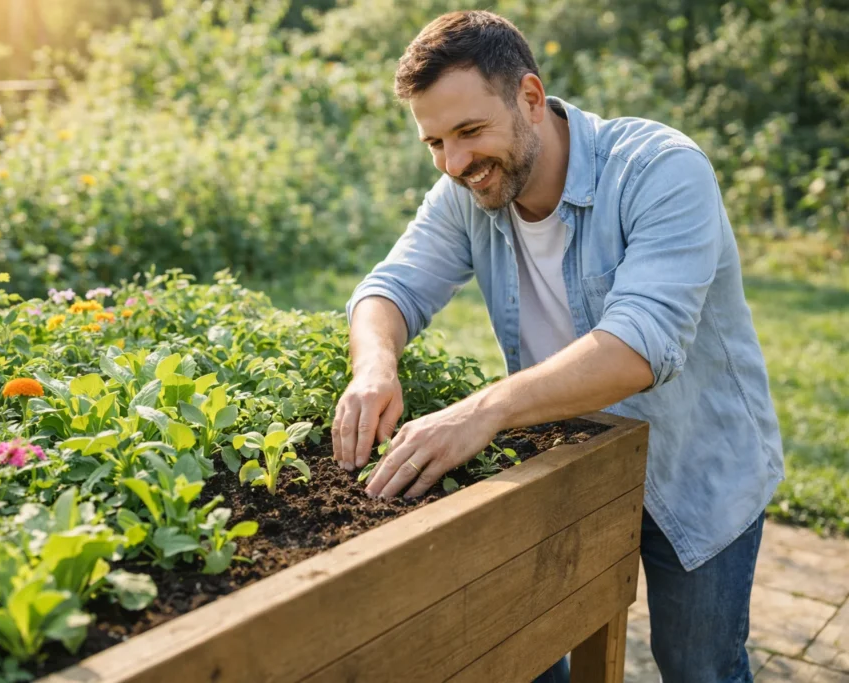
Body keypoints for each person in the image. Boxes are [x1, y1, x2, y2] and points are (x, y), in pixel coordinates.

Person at [331, 10, 784, 683]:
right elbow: (389, 288)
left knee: (699, 668)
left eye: (469, 132)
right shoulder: (466, 191)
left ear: (531, 98)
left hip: (696, 471)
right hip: (570, 461)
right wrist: (374, 366)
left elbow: (639, 345)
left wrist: (482, 411)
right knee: (527, 649)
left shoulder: (661, 169)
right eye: (435, 143)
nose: (454, 163)